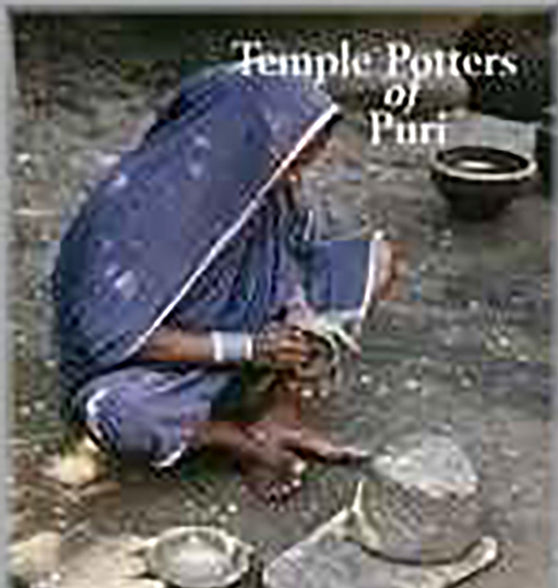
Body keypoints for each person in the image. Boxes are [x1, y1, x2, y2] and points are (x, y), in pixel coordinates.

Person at [48, 65, 405, 502]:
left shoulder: (261, 185)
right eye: (292, 162)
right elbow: (114, 340)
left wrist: (301, 322)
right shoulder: (134, 215)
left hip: (248, 341)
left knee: (377, 260)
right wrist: (248, 348)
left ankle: (279, 415)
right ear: (241, 146)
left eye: (307, 160)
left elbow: (291, 257)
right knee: (123, 415)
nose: (295, 177)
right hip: (156, 369)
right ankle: (243, 444)